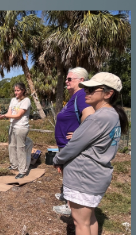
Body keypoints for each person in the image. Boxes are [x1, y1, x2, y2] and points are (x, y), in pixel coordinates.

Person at [50, 72, 128, 235]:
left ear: (108, 93)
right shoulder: (112, 115)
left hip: (85, 174)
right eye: (86, 88)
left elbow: (75, 144)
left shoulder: (99, 117)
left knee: (80, 221)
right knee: (90, 215)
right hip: (97, 174)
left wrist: (58, 159)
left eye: (93, 89)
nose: (87, 92)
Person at [52, 67, 97, 215]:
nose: (66, 81)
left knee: (72, 175)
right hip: (65, 145)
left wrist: (79, 133)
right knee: (67, 172)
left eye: (69, 79)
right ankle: (67, 197)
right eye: (66, 78)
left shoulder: (81, 95)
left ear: (81, 80)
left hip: (71, 146)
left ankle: (70, 206)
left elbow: (90, 116)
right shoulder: (74, 97)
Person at [0, 83, 33, 178]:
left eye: (18, 90)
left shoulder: (26, 100)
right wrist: (2, 116)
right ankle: (14, 165)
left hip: (21, 127)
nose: (16, 92)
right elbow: (9, 113)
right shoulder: (13, 100)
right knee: (11, 146)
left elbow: (18, 115)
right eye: (15, 90)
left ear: (23, 91)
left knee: (20, 148)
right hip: (12, 126)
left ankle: (22, 170)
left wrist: (5, 116)